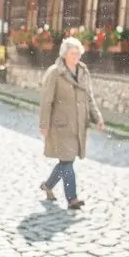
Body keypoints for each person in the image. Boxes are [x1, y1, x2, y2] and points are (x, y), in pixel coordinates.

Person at [39, 35, 103, 211]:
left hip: (78, 126)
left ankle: (48, 185)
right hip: (61, 125)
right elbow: (46, 101)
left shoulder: (83, 71)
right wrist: (44, 124)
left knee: (66, 161)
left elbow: (89, 97)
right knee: (67, 161)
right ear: (64, 54)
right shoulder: (55, 72)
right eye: (73, 53)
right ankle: (72, 199)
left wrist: (97, 117)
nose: (76, 56)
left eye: (78, 53)